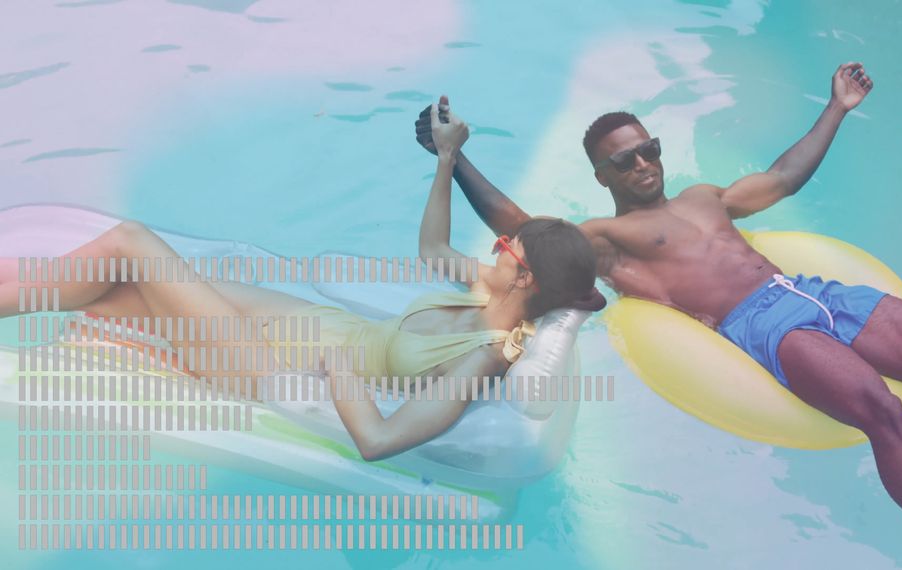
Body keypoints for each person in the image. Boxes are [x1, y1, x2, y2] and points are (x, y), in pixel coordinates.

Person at [414, 63, 902, 568]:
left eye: (650, 149)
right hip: (761, 325)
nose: (644, 163)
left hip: (814, 292)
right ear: (602, 176)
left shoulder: (708, 197)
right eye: (626, 160)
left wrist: (837, 107)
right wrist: (455, 156)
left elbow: (783, 178)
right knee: (885, 416)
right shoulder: (604, 240)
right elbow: (521, 226)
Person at [0, 104, 597, 463]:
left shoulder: (483, 359)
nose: (492, 247)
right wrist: (446, 158)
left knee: (132, 242)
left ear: (525, 277)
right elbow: (433, 250)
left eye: (504, 246)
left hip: (275, 369)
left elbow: (379, 441)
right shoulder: (489, 291)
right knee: (122, 292)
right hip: (306, 323)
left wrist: (337, 372)